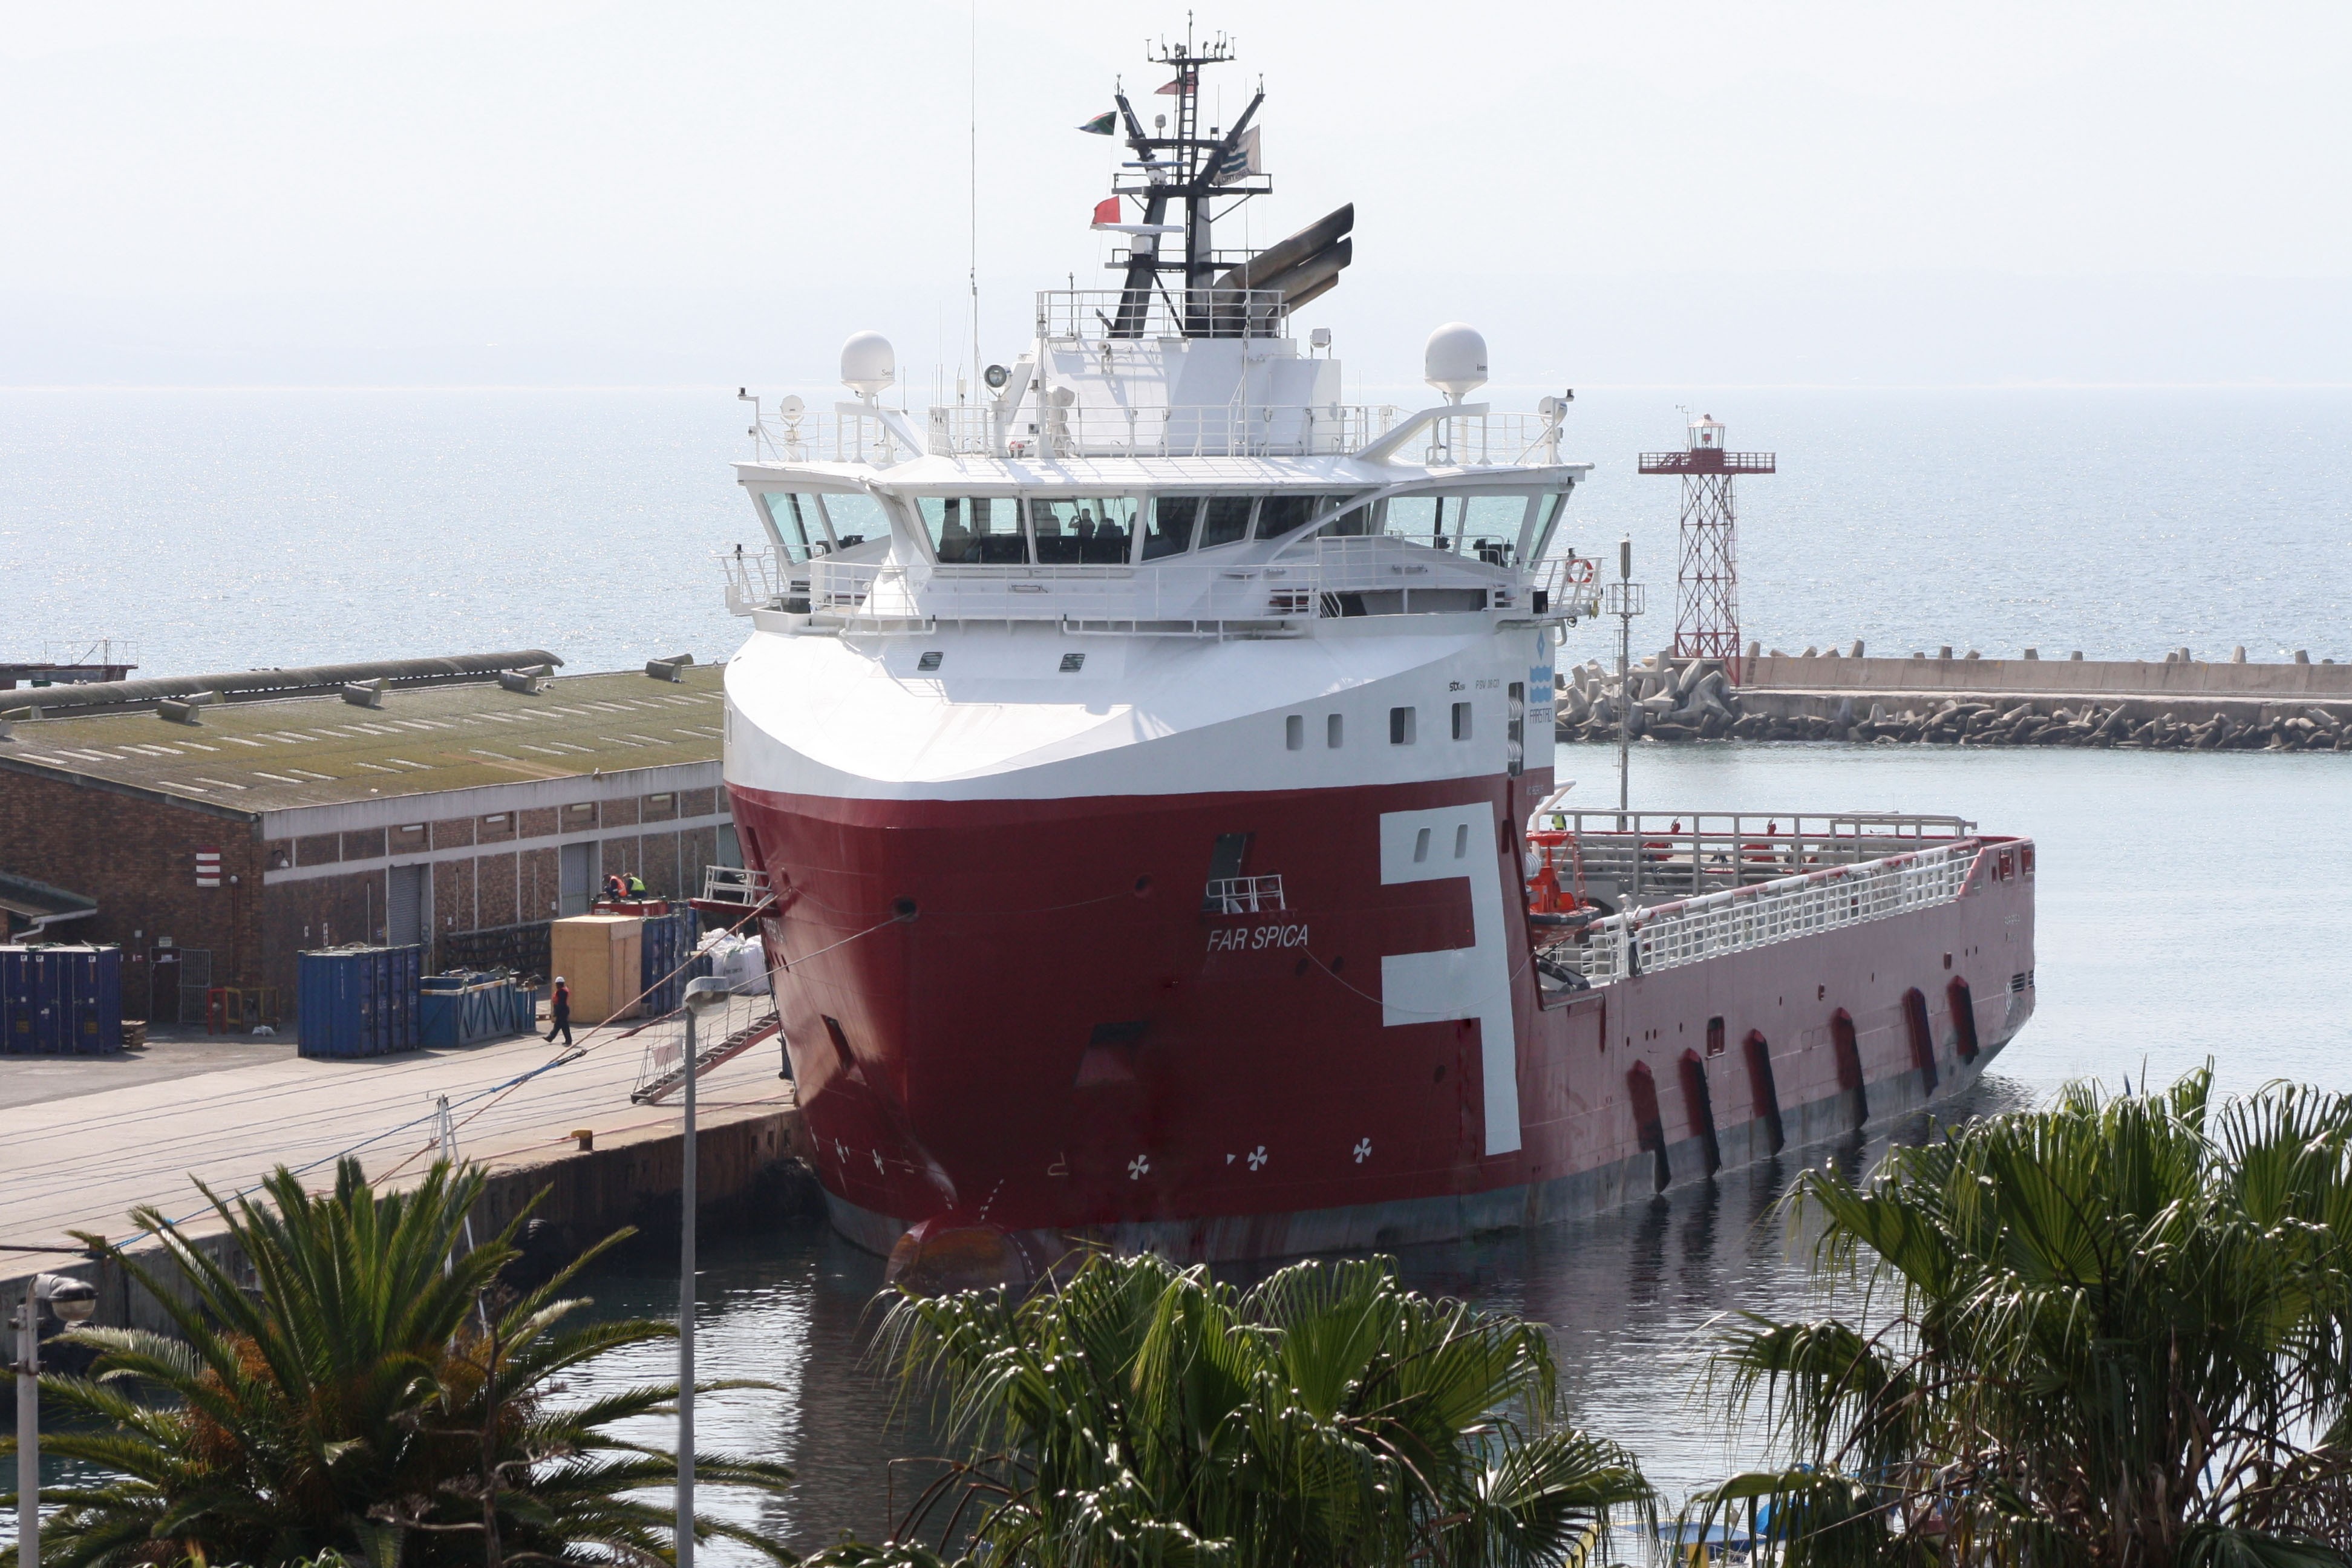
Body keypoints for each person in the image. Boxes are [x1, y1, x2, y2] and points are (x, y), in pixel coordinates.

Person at [545, 976, 573, 1046]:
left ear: (559, 984)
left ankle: (569, 1041)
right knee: (557, 1026)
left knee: (565, 1026)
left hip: (562, 1011)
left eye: (557, 984)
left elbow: (561, 1003)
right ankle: (550, 1037)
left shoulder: (562, 992)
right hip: (562, 1010)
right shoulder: (563, 991)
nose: (556, 986)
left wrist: (557, 1012)